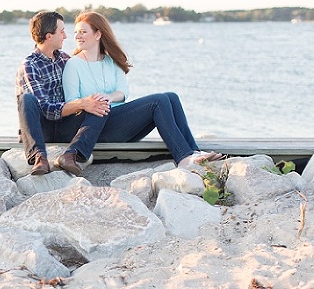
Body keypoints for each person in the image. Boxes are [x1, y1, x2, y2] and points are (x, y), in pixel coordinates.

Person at [59, 10, 222, 173]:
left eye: (83, 31)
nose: (78, 36)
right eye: (76, 32)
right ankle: (184, 158)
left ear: (98, 34)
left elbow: (123, 91)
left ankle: (193, 152)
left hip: (121, 124)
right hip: (96, 129)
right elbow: (71, 102)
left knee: (171, 97)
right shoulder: (73, 65)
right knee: (158, 101)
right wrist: (90, 103)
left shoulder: (111, 61)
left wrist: (109, 97)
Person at [15, 11, 115, 176]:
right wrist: (82, 103)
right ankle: (39, 157)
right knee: (26, 99)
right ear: (49, 36)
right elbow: (46, 109)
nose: (66, 36)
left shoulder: (65, 59)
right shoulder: (29, 65)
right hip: (41, 129)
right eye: (61, 31)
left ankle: (71, 154)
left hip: (64, 125)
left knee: (98, 102)